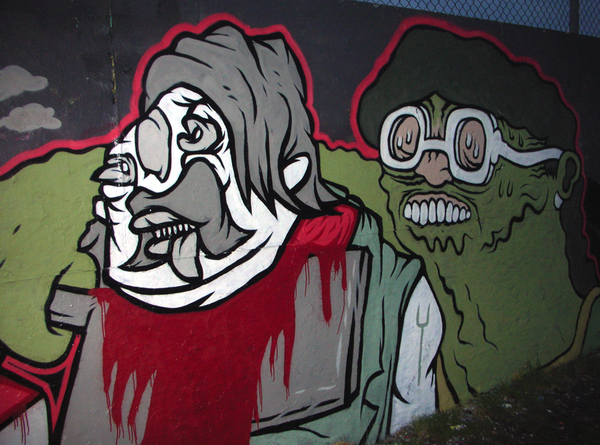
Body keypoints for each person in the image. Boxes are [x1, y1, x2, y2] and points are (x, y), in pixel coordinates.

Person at [0, 19, 442, 444]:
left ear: (289, 175)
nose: (157, 183)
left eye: (197, 135)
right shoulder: (84, 306)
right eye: (156, 137)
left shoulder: (385, 295)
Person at [339, 22, 600, 405]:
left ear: (560, 178)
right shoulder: (416, 368)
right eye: (406, 141)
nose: (430, 171)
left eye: (470, 145)